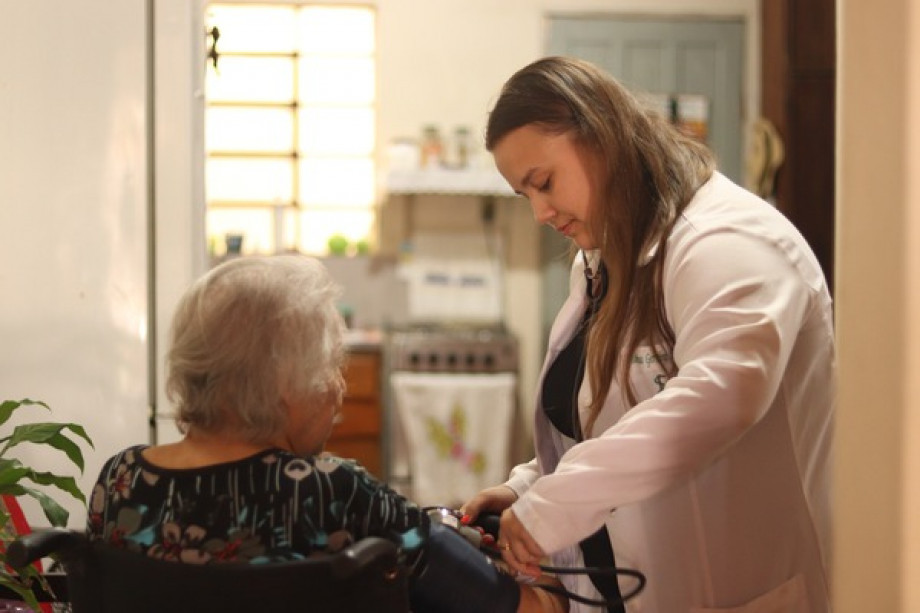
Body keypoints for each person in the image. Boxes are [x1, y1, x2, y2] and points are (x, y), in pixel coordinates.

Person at [462, 56, 835, 612]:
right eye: (526, 195)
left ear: (601, 137)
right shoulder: (605, 256)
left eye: (544, 183)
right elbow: (609, 417)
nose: (539, 212)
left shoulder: (728, 243)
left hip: (742, 591)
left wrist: (554, 505)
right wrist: (531, 486)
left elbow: (720, 398)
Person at [86, 254, 567, 613]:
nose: (339, 389)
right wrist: (556, 583)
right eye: (330, 367)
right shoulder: (331, 493)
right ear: (284, 386)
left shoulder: (121, 480)